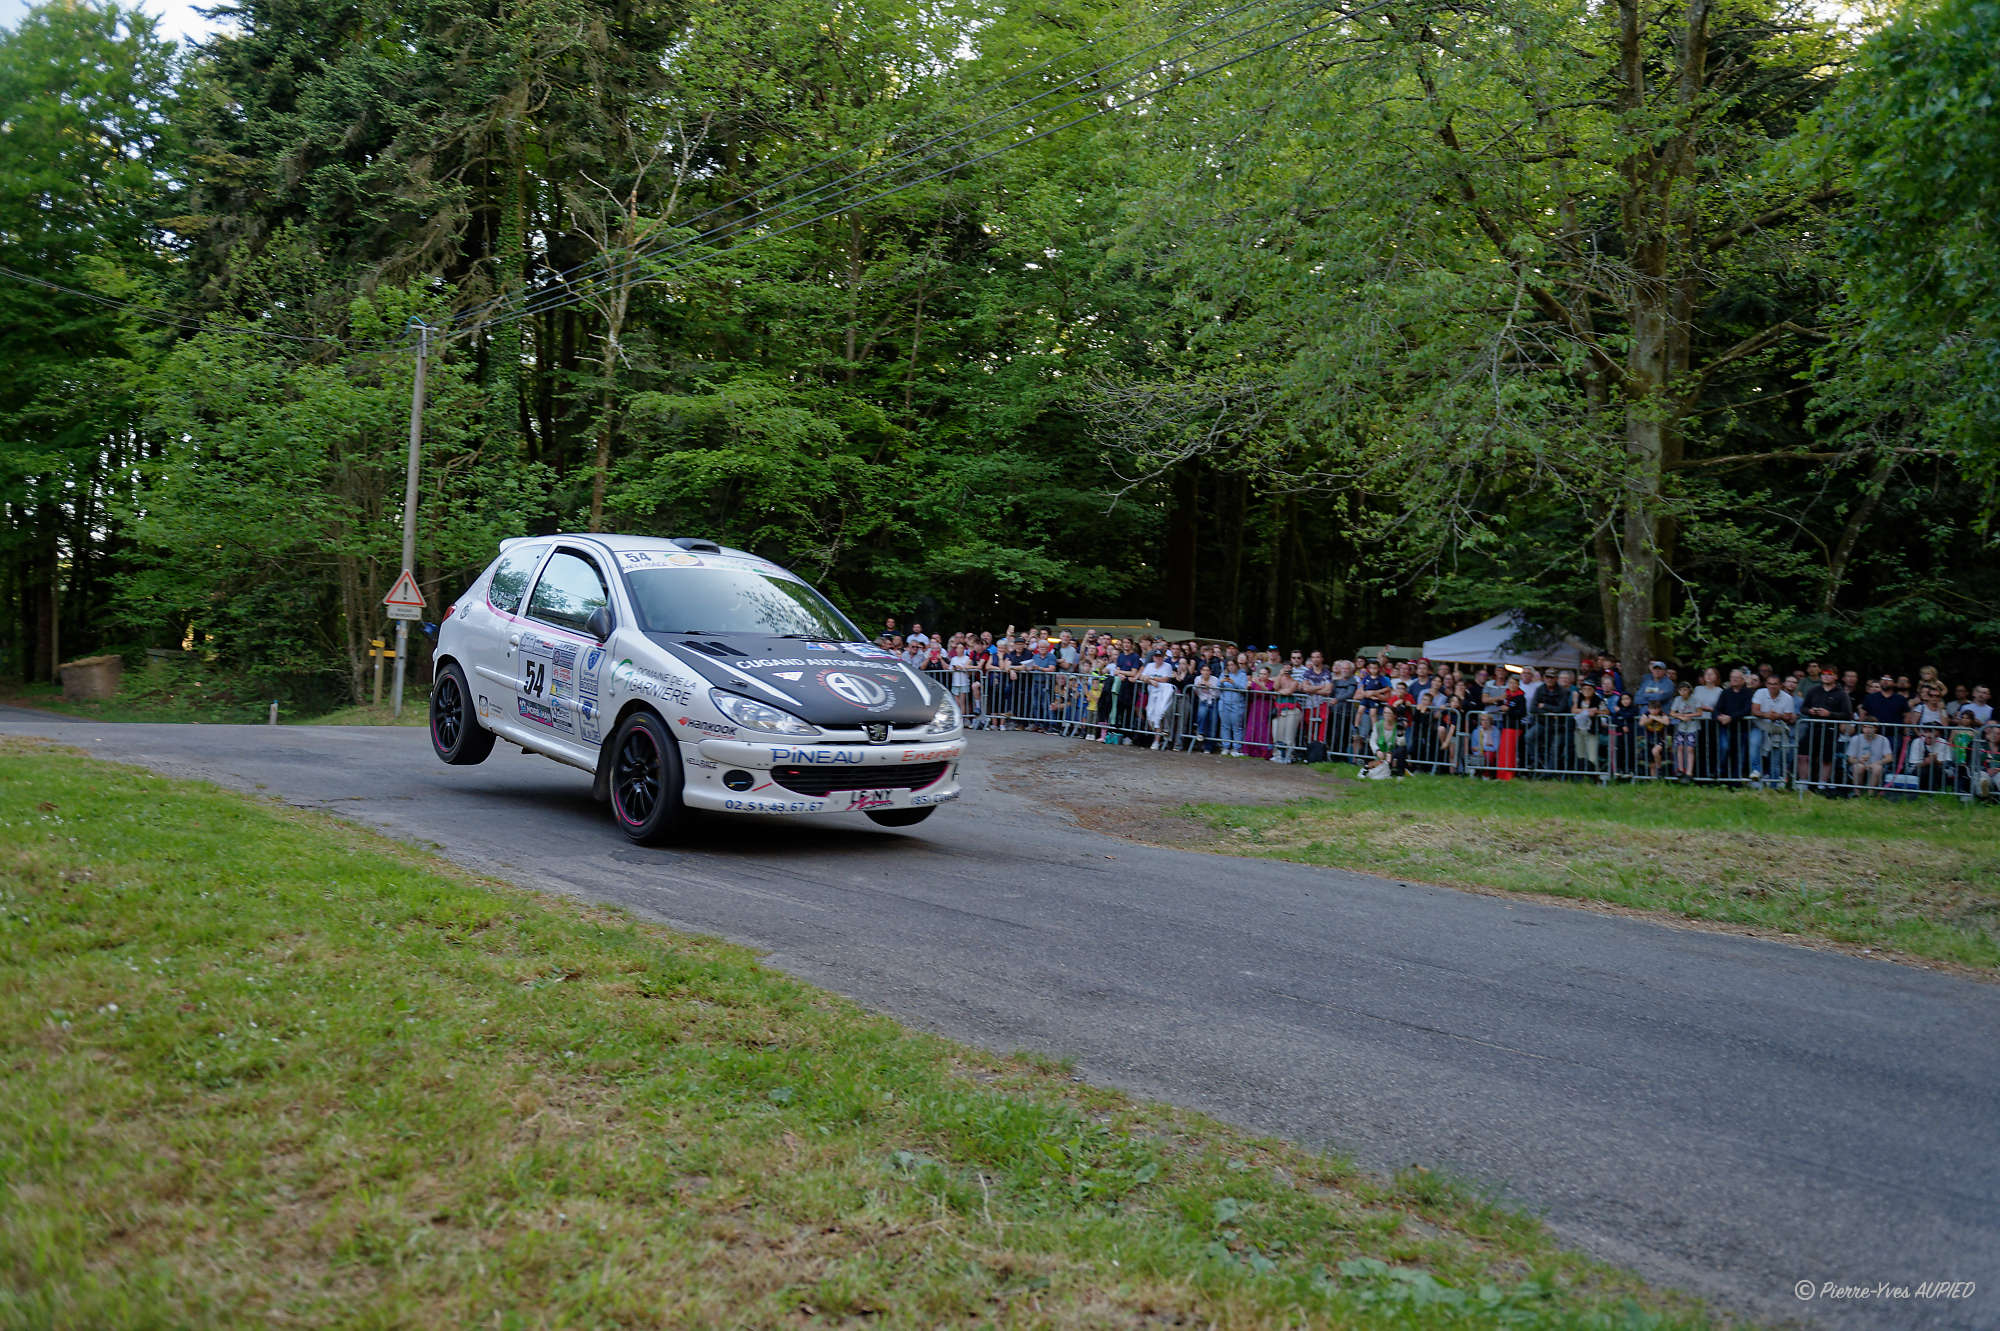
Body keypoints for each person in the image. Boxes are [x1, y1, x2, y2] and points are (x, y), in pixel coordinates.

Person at [1799, 668, 1853, 790]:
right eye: (1823, 674)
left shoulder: (1841, 694)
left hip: (1830, 729)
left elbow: (1847, 714)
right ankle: (1803, 782)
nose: (1826, 676)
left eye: (1830, 674)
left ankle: (1822, 784)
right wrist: (1810, 711)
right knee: (1803, 755)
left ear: (1835, 677)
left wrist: (1829, 714)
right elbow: (1803, 708)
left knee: (1826, 758)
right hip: (1812, 727)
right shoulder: (1813, 690)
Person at [1749, 673, 1796, 789]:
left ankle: (1774, 786)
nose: (1772, 686)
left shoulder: (1787, 698)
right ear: (1766, 684)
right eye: (1770, 684)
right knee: (1754, 744)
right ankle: (1756, 771)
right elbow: (1754, 711)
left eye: (1775, 684)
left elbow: (1788, 717)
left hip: (1777, 729)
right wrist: (1766, 715)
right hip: (1760, 726)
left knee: (1775, 758)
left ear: (1781, 685)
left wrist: (1778, 716)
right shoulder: (1760, 693)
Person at [1845, 722, 1893, 792]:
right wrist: (1859, 761)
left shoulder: (1883, 739)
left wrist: (1876, 763)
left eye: (1870, 727)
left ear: (1875, 729)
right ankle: (1856, 793)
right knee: (1858, 767)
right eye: (1865, 727)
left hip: (1875, 764)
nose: (1867, 730)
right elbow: (1850, 759)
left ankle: (1870, 794)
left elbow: (1889, 758)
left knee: (1877, 768)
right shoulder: (1855, 739)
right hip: (1860, 763)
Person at [1670, 681, 1703, 781]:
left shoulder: (1695, 699)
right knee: (1679, 747)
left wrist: (1687, 715)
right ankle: (1680, 769)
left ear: (1689, 690)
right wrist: (1680, 716)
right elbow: (1672, 713)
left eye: (1685, 690)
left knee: (1690, 749)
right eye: (1681, 690)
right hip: (1681, 727)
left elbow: (1699, 713)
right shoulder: (1677, 699)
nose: (1683, 692)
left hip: (1692, 727)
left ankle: (1689, 771)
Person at [1218, 655, 1251, 756]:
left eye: (1232, 664)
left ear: (1236, 665)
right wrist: (1221, 682)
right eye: (1228, 665)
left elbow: (1244, 689)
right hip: (1224, 703)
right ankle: (1225, 746)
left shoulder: (1242, 675)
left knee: (1237, 727)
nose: (1230, 667)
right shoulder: (1223, 674)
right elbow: (1218, 686)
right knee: (1225, 726)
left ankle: (1237, 748)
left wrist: (1234, 683)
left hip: (1237, 704)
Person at [1243, 665, 1276, 760]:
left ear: (1268, 675)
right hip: (1255, 708)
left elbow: (1268, 691)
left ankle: (1264, 752)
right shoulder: (1254, 683)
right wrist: (1248, 687)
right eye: (1260, 673)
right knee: (1252, 728)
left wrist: (1259, 683)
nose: (1262, 676)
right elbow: (1249, 693)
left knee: (1264, 729)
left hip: (1265, 708)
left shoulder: (1271, 683)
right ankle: (1249, 750)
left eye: (1264, 674)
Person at [1640, 699, 1672, 779]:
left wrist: (1655, 718)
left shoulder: (1662, 714)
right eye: (1651, 709)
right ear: (1648, 709)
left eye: (1656, 709)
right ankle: (1654, 781)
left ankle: (1659, 768)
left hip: (1660, 739)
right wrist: (1650, 719)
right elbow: (1641, 723)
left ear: (1659, 709)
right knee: (1651, 762)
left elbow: (1667, 722)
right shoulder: (1646, 714)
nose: (1654, 711)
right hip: (1649, 740)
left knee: (1655, 751)